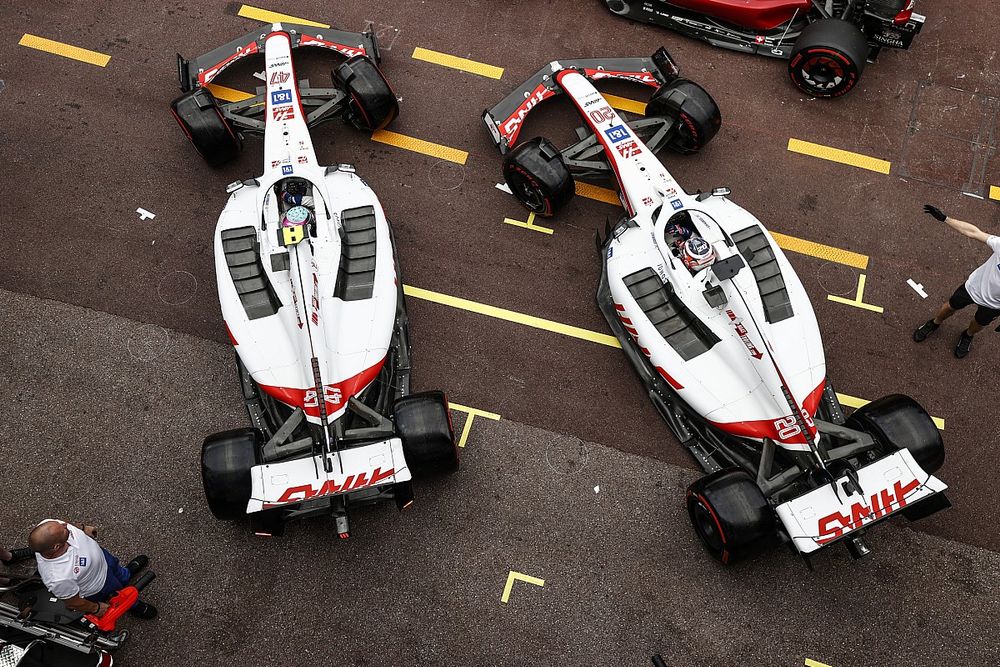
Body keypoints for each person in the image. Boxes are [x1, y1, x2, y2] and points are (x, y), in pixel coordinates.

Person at [913, 204, 1000, 358]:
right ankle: (935, 322)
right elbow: (974, 232)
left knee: (979, 323)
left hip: (995, 305)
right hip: (973, 288)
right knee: (950, 306)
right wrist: (945, 219)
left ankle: (967, 335)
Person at [27, 519, 156, 619]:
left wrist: (82, 528)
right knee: (119, 595)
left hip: (104, 559)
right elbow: (72, 602)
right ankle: (134, 605)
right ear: (56, 547)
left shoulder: (48, 526)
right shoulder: (58, 578)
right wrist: (96, 608)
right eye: (64, 530)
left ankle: (126, 574)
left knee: (118, 570)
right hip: (100, 584)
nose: (65, 525)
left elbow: (64, 524)